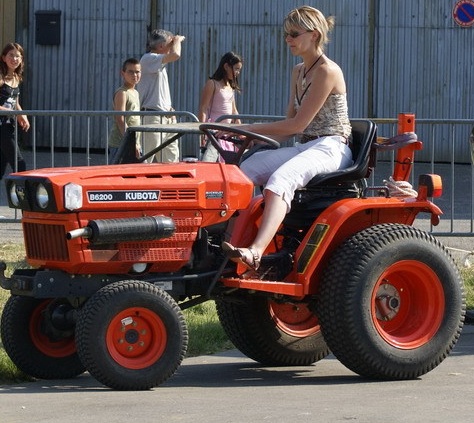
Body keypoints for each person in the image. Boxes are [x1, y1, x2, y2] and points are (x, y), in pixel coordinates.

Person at [222, 6, 353, 270]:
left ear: (314, 35)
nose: (288, 40)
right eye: (286, 34)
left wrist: (245, 128)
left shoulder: (327, 71)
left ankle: (256, 252)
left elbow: (296, 124)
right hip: (307, 145)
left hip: (332, 145)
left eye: (294, 34)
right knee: (246, 169)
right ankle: (226, 242)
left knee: (281, 179)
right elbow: (290, 123)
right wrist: (251, 135)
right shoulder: (298, 71)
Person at [137, 29, 185, 163]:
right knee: (146, 159)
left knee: (171, 161)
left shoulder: (159, 62)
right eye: (169, 44)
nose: (171, 47)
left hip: (167, 116)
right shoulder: (148, 59)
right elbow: (176, 54)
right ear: (161, 46)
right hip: (152, 117)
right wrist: (177, 40)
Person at [198, 51, 243, 162]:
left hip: (227, 133)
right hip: (214, 133)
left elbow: (234, 111)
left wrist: (242, 131)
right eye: (236, 69)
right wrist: (201, 133)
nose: (238, 72)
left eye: (239, 70)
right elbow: (203, 108)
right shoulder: (212, 83)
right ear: (226, 66)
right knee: (210, 161)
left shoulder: (230, 86)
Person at [0, 42, 30, 179]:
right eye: (11, 55)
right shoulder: (1, 78)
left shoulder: (17, 78)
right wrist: (12, 112)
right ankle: (26, 199)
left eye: (18, 56)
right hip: (1, 128)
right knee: (20, 166)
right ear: (3, 58)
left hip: (9, 126)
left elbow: (15, 102)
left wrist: (22, 115)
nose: (14, 59)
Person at [108, 57, 142, 163]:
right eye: (130, 72)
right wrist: (130, 142)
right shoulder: (122, 93)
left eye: (137, 72)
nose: (134, 75)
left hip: (133, 142)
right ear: (122, 73)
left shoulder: (135, 93)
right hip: (120, 143)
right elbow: (120, 118)